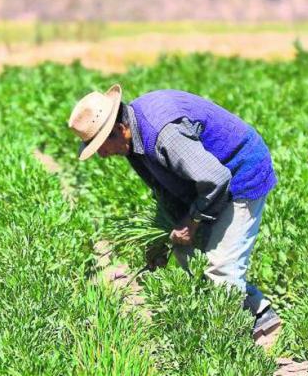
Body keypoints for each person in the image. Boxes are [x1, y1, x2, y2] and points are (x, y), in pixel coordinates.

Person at [68, 84, 281, 341]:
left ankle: (229, 344)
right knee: (185, 250)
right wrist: (161, 240)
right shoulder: (133, 143)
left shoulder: (163, 135)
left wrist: (192, 221)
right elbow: (167, 190)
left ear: (118, 130)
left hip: (240, 173)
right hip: (208, 182)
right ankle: (258, 313)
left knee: (222, 269)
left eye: (100, 145)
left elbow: (215, 179)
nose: (101, 155)